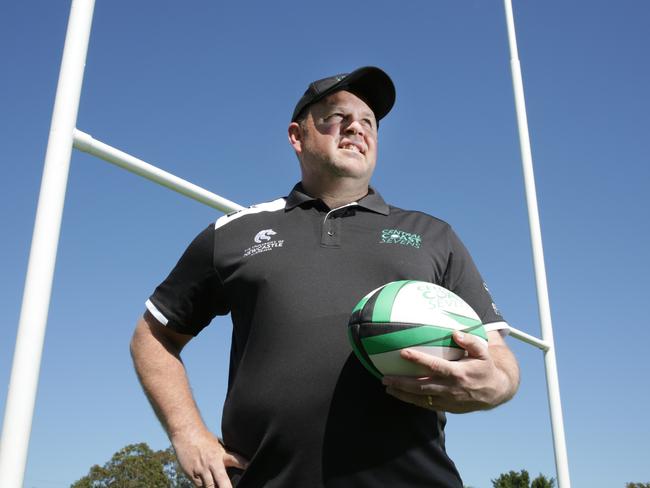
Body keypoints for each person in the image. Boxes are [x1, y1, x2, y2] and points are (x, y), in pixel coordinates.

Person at [130, 66, 520, 488]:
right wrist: (187, 434)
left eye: (369, 122)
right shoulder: (234, 232)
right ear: (297, 136)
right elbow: (152, 336)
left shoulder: (433, 235)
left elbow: (498, 356)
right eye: (336, 116)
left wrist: (495, 384)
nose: (356, 126)